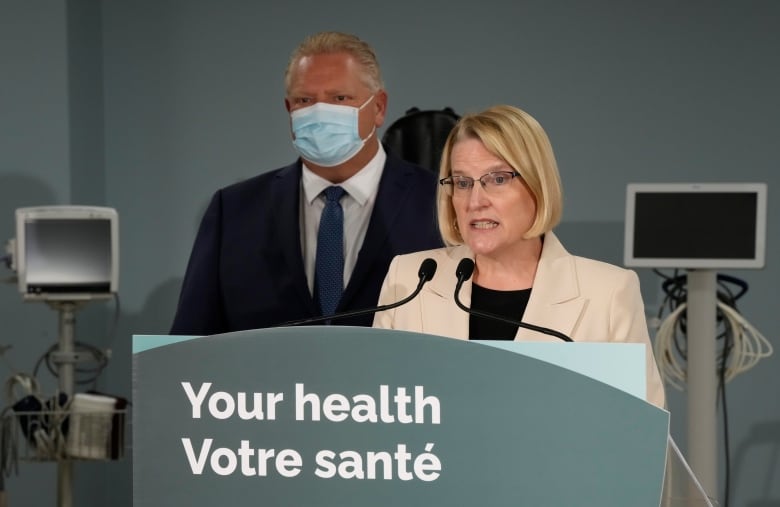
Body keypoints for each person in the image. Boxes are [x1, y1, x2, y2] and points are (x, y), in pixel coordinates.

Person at [373, 105, 666, 409]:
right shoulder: (410, 280)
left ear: (538, 185)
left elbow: (643, 439)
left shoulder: (607, 293)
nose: (475, 201)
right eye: (462, 182)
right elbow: (378, 415)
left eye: (498, 179)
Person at [170, 31, 443, 334]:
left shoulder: (439, 201)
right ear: (289, 109)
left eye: (339, 98)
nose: (319, 111)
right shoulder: (233, 212)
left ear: (378, 107)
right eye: (304, 100)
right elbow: (188, 344)